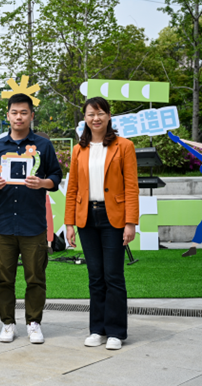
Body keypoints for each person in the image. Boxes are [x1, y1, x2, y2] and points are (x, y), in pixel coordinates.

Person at [0, 93, 62, 344]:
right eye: (14, 112)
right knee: (4, 278)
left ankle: (33, 323)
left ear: (31, 115)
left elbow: (56, 177)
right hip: (4, 224)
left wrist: (42, 183)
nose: (19, 117)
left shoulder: (43, 146)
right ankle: (7, 323)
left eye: (24, 112)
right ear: (7, 115)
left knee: (35, 277)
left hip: (33, 224)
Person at [64, 96, 139, 351]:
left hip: (113, 217)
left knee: (113, 275)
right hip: (86, 217)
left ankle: (116, 331)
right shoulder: (79, 149)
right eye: (90, 114)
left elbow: (131, 187)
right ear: (84, 118)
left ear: (108, 116)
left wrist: (131, 222)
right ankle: (97, 329)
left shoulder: (124, 146)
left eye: (100, 113)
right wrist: (69, 223)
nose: (95, 118)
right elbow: (72, 188)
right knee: (95, 276)